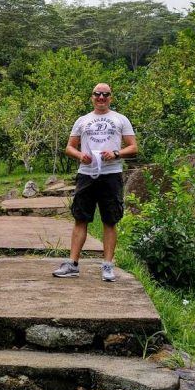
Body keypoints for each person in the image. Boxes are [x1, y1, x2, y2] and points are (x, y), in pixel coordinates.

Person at [52, 83, 137, 281]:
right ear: (92, 97)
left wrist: (116, 153)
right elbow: (69, 147)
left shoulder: (120, 119)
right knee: (81, 218)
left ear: (111, 97)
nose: (101, 97)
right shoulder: (82, 120)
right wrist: (81, 155)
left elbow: (133, 147)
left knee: (110, 220)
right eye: (97, 94)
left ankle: (107, 266)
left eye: (105, 94)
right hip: (86, 174)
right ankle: (72, 264)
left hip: (111, 174)